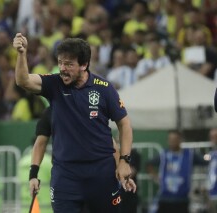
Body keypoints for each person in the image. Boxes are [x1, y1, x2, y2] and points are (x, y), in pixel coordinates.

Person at [13, 33, 135, 212]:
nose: (62, 68)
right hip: (66, 176)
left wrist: (124, 161)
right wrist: (21, 54)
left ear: (84, 65)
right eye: (60, 62)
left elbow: (124, 125)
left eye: (69, 64)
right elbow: (23, 80)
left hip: (101, 173)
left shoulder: (104, 89)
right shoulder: (54, 84)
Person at [147, 130, 208, 213]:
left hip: (182, 199)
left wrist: (209, 157)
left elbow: (205, 161)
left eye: (175, 139)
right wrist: (156, 178)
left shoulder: (189, 154)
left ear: (180, 140)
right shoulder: (164, 154)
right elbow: (149, 164)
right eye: (170, 139)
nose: (172, 142)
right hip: (165, 198)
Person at [207, 128, 217, 213]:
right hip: (213, 194)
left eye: (215, 136)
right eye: (212, 137)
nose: (213, 139)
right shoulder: (212, 154)